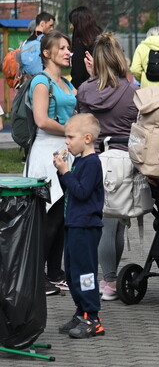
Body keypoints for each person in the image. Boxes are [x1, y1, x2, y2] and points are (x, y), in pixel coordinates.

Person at [76, 32, 138, 301]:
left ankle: (109, 280)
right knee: (119, 221)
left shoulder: (86, 90)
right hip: (125, 159)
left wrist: (92, 78)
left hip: (96, 160)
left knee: (105, 223)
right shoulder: (133, 91)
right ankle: (111, 280)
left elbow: (79, 122)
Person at [23, 30, 76, 295]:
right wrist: (70, 130)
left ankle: (55, 273)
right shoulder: (41, 82)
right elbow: (42, 120)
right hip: (47, 154)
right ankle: (36, 274)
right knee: (50, 217)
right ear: (47, 53)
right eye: (62, 48)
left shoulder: (67, 82)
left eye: (69, 48)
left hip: (66, 152)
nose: (68, 52)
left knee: (63, 216)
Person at [53, 113, 106, 339]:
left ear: (86, 138)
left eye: (70, 137)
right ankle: (80, 311)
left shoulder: (92, 163)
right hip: (74, 224)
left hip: (86, 226)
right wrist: (61, 171)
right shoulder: (80, 161)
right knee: (73, 271)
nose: (66, 141)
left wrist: (65, 172)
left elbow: (82, 192)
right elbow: (71, 191)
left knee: (85, 272)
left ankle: (92, 317)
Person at [68, 6, 101, 89]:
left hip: (87, 90)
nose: (71, 27)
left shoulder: (80, 43)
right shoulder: (102, 40)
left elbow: (78, 75)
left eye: (72, 23)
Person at [18, 12, 55, 78]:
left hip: (28, 79)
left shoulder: (26, 42)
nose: (52, 29)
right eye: (50, 25)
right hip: (43, 78)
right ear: (42, 24)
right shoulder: (44, 40)